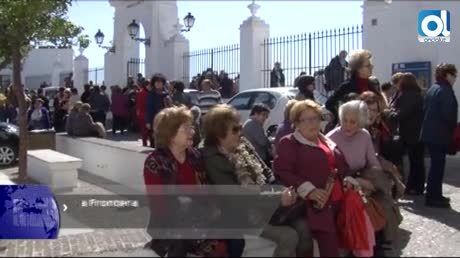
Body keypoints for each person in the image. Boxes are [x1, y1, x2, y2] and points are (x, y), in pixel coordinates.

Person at [201, 104, 312, 257]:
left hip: (263, 203)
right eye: (235, 130)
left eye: (240, 127)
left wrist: (281, 192)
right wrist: (277, 198)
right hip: (243, 212)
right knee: (289, 236)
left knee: (304, 226)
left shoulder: (242, 145)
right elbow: (237, 196)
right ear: (219, 134)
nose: (240, 133)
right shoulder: (213, 158)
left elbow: (266, 172)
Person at [143, 106, 232, 257]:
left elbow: (208, 189)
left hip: (202, 221)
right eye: (186, 129)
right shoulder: (155, 162)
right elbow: (159, 205)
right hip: (171, 226)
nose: (192, 132)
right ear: (170, 134)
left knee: (233, 241)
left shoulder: (195, 156)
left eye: (192, 127)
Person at [274, 100, 353, 257]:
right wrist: (308, 189)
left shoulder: (325, 140)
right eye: (307, 119)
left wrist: (349, 179)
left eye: (316, 118)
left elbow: (342, 166)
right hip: (314, 205)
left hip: (339, 199)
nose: (313, 123)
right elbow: (282, 171)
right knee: (329, 247)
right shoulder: (289, 143)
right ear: (296, 123)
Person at [327, 100, 401, 255]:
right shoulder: (332, 138)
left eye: (352, 122)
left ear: (360, 122)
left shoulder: (364, 135)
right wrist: (359, 183)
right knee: (367, 205)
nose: (347, 125)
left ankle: (383, 241)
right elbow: (330, 171)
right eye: (344, 120)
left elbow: (373, 164)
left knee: (382, 198)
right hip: (343, 182)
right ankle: (368, 247)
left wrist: (367, 183)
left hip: (364, 178)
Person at [420, 63, 458, 208]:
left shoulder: (433, 88)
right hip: (439, 134)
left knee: (436, 166)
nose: (455, 79)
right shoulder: (445, 90)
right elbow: (448, 115)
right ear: (447, 75)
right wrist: (452, 132)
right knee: (438, 166)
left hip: (431, 133)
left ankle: (435, 194)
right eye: (454, 75)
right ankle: (433, 197)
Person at [385, 73, 425, 196]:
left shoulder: (409, 96)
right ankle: (417, 186)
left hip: (411, 134)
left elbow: (401, 114)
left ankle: (415, 187)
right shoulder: (418, 95)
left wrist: (388, 114)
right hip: (417, 133)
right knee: (417, 161)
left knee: (414, 162)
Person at [325, 49, 382, 131]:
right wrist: (344, 117)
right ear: (358, 69)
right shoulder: (347, 86)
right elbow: (329, 104)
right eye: (368, 65)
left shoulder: (372, 85)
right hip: (351, 131)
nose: (372, 67)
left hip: (370, 131)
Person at [145, 74, 171, 138]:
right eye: (156, 82)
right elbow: (149, 108)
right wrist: (148, 121)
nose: (158, 84)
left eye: (160, 82)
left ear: (163, 83)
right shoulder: (151, 94)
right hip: (155, 119)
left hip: (166, 119)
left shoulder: (167, 94)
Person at [136, 80, 152, 147]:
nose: (151, 87)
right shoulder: (141, 93)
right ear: (146, 85)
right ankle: (144, 143)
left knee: (150, 131)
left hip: (149, 114)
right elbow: (139, 104)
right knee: (144, 131)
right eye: (149, 85)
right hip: (143, 114)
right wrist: (139, 113)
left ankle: (151, 144)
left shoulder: (150, 92)